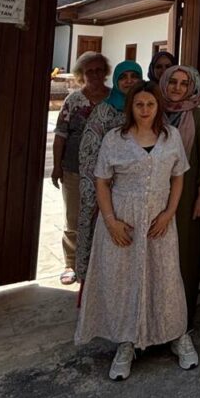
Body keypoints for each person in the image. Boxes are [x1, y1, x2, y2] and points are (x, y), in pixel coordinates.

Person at [75, 83, 193, 380]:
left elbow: (178, 177)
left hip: (158, 221)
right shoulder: (115, 139)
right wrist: (111, 220)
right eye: (139, 104)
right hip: (123, 220)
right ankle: (126, 342)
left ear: (158, 107)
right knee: (124, 280)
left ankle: (176, 334)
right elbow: (102, 180)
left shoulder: (171, 137)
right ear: (131, 108)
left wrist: (169, 213)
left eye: (150, 104)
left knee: (164, 277)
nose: (144, 110)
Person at [157, 65, 200, 345]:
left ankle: (182, 323)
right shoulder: (152, 112)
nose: (178, 88)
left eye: (184, 83)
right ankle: (154, 319)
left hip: (188, 197)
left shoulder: (199, 116)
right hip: (153, 196)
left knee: (185, 258)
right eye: (173, 82)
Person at [75, 60, 143, 283]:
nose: (129, 81)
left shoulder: (144, 107)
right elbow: (88, 152)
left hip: (134, 193)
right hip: (104, 190)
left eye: (134, 76)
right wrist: (93, 189)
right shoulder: (104, 111)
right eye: (124, 77)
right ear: (116, 80)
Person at [51, 52, 109, 285]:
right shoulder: (73, 100)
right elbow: (60, 135)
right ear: (81, 75)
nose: (94, 75)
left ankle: (96, 262)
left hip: (106, 171)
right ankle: (71, 264)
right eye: (89, 71)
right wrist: (57, 167)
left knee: (102, 217)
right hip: (73, 168)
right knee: (73, 217)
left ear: (105, 72)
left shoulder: (115, 98)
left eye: (98, 70)